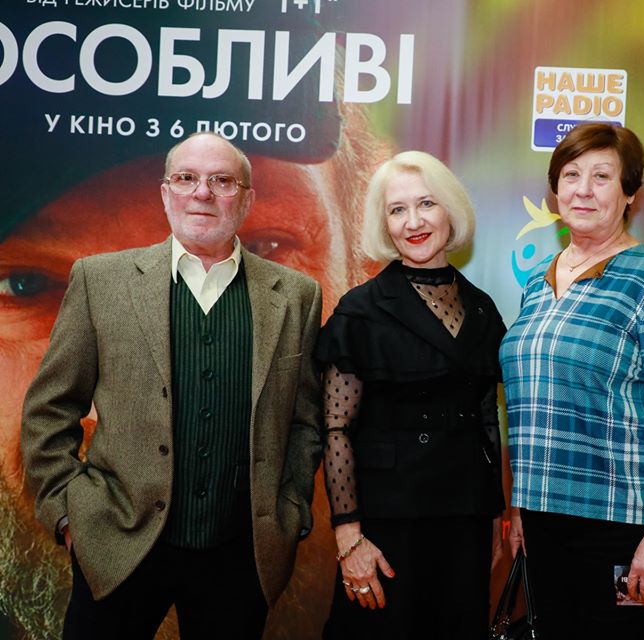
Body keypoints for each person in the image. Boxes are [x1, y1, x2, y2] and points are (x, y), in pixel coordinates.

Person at [0, 100, 389, 638]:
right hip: (114, 550)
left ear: (246, 198)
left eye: (222, 181)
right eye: (27, 284)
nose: (202, 193)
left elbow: (305, 416)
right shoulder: (100, 280)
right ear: (166, 193)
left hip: (238, 561)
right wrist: (71, 514)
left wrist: (289, 511)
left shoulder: (297, 295)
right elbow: (50, 409)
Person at [499, 122, 644, 639]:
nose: (583, 190)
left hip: (618, 525)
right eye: (571, 175)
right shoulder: (539, 281)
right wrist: (521, 507)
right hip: (542, 520)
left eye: (602, 176)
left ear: (629, 193)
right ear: (555, 189)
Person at [316, 151, 507, 640]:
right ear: (384, 223)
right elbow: (335, 428)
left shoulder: (482, 309)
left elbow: (486, 421)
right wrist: (348, 536)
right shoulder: (360, 311)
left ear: (450, 211)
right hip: (386, 526)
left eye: (426, 204)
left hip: (464, 522)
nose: (414, 222)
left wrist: (494, 518)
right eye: (397, 210)